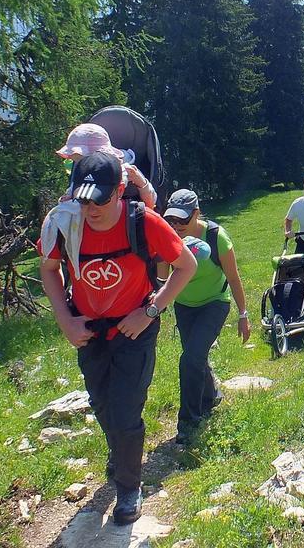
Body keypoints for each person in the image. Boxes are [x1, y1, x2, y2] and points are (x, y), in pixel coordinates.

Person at [38, 152, 196, 525]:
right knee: (103, 406)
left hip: (134, 328)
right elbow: (48, 269)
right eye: (83, 198)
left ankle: (128, 487)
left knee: (125, 413)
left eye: (101, 198)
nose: (91, 207)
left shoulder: (143, 221)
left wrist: (150, 311)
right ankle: (121, 454)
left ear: (120, 191)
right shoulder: (64, 224)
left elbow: (185, 266)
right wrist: (65, 321)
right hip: (89, 330)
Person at [162, 189, 251, 445]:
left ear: (196, 214)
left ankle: (189, 422)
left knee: (190, 358)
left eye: (182, 220)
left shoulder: (216, 237)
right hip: (184, 305)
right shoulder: (167, 236)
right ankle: (211, 394)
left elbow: (233, 277)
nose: (176, 226)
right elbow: (162, 277)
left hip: (214, 303)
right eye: (172, 220)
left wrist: (243, 314)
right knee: (195, 355)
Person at [56, 123, 158, 209]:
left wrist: (140, 181)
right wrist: (68, 196)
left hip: (121, 217)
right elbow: (73, 189)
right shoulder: (81, 173)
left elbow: (151, 203)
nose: (82, 166)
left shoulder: (123, 170)